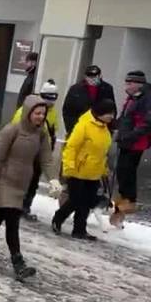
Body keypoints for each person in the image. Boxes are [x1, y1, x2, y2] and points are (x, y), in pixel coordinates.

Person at [0, 95, 58, 280]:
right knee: (12, 220)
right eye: (37, 113)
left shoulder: (41, 134)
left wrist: (54, 180)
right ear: (28, 112)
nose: (41, 117)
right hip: (5, 182)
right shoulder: (11, 130)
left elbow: (46, 159)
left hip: (22, 184)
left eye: (43, 113)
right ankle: (19, 263)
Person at [53, 99, 116, 241]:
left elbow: (101, 152)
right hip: (78, 171)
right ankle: (58, 217)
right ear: (100, 112)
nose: (112, 116)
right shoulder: (84, 125)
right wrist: (68, 166)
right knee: (76, 200)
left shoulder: (104, 128)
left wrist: (103, 169)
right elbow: (71, 147)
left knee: (86, 203)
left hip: (93, 173)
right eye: (109, 113)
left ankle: (79, 230)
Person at [9, 80, 60, 220]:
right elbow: (14, 130)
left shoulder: (52, 113)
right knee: (20, 180)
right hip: (25, 151)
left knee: (33, 182)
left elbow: (53, 130)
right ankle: (13, 205)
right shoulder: (26, 110)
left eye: (54, 99)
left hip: (40, 152)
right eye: (49, 98)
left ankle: (25, 207)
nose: (51, 102)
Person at [112, 70, 150, 224]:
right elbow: (125, 117)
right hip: (126, 140)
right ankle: (122, 203)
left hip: (135, 142)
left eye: (129, 83)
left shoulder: (146, 98)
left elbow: (147, 123)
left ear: (138, 84)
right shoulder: (133, 97)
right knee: (121, 170)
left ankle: (130, 199)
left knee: (127, 169)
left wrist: (130, 135)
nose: (126, 86)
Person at [62, 65, 116, 136]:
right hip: (79, 129)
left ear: (100, 76)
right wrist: (72, 129)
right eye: (90, 76)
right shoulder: (75, 89)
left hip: (100, 130)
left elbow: (112, 110)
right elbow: (67, 111)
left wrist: (108, 129)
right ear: (85, 76)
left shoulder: (107, 88)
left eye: (95, 76)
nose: (93, 79)